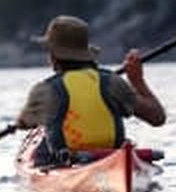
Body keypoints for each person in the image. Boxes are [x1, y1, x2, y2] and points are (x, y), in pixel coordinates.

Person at [16, 15, 166, 164]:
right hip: (113, 159)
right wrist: (137, 80)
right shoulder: (113, 82)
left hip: (69, 163)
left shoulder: (45, 90)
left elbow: (24, 122)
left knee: (40, 150)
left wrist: (24, 121)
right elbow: (157, 118)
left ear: (53, 57)